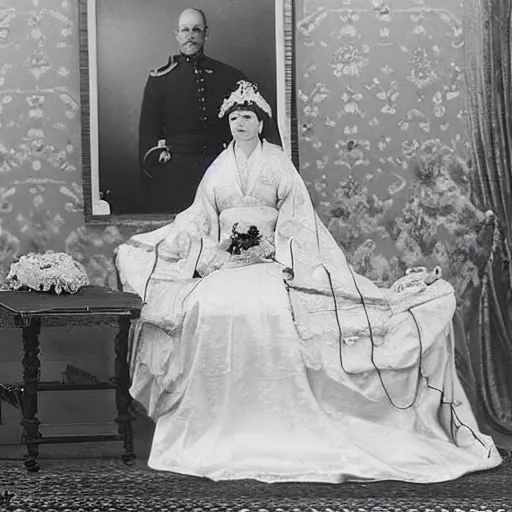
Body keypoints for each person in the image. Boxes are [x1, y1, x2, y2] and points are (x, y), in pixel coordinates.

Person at [117, 81, 502, 483]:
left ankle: (283, 417)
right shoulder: (218, 167)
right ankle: (217, 418)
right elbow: (200, 219)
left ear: (261, 122)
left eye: (247, 117)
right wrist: (218, 251)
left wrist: (272, 248)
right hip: (227, 265)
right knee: (208, 308)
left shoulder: (278, 163)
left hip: (271, 260)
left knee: (271, 309)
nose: (240, 124)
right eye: (234, 118)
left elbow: (298, 220)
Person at [138, 8, 247, 213]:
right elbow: (147, 133)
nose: (190, 36)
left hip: (220, 169)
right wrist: (159, 167)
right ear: (177, 35)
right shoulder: (160, 80)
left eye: (196, 30)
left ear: (206, 34)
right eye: (185, 30)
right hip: (176, 174)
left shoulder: (229, 76)